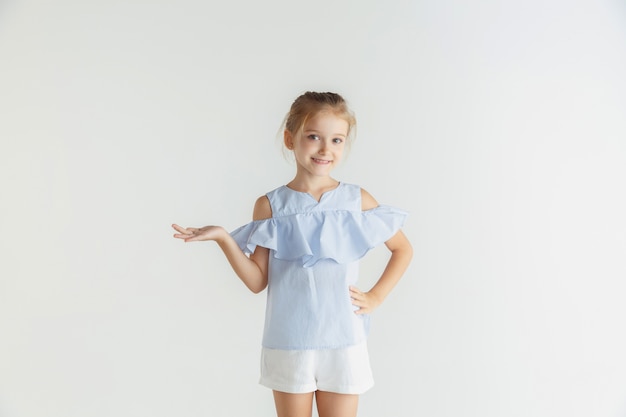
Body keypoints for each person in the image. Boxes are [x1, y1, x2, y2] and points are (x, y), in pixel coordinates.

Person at [172, 91, 413, 417]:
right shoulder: (271, 206)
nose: (326, 149)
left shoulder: (356, 201)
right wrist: (224, 239)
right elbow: (258, 281)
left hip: (344, 339)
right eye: (313, 137)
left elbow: (402, 248)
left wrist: (376, 296)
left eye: (337, 140)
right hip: (289, 342)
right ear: (290, 139)